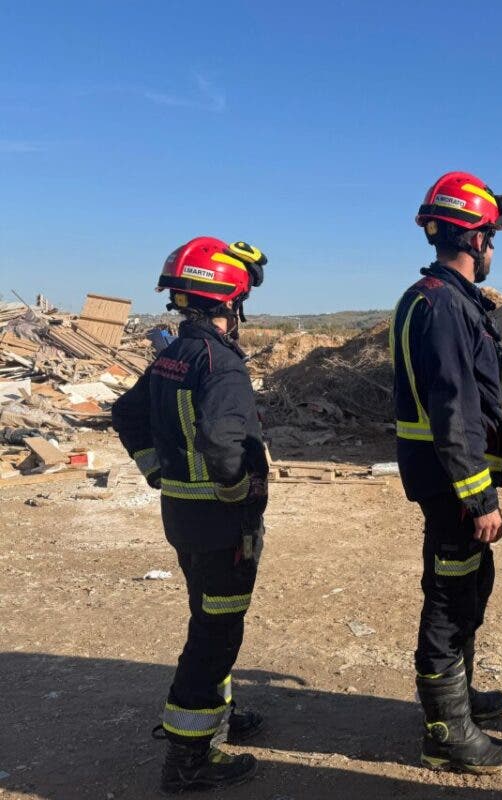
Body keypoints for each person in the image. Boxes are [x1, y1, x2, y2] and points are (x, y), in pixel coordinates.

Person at [112, 237, 271, 793]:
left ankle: (218, 717)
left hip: (181, 517)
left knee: (210, 617)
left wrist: (157, 471)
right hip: (221, 526)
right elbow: (224, 443)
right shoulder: (221, 363)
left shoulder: (171, 356)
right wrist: (232, 491)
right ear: (231, 299)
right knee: (216, 633)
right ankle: (188, 759)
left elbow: (125, 412)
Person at [393, 171, 502, 774]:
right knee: (447, 598)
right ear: (474, 240)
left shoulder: (445, 301)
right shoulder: (441, 305)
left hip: (457, 481)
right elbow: (452, 407)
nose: (493, 251)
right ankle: (445, 732)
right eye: (491, 239)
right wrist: (478, 496)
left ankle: (459, 702)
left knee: (469, 589)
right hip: (453, 487)